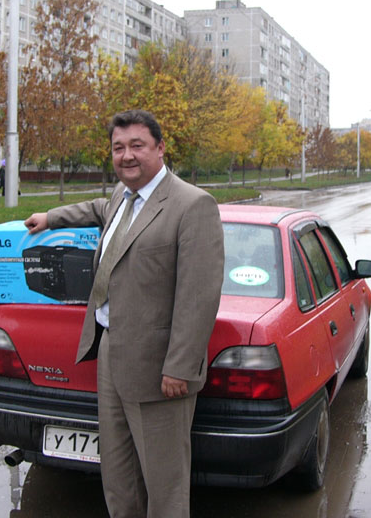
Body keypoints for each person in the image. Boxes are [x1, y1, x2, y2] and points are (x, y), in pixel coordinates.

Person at [25, 110, 224, 518]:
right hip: (112, 353)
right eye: (118, 148)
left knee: (164, 485)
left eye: (137, 145)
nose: (127, 155)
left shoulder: (192, 205)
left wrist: (180, 367)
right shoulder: (122, 195)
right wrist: (51, 218)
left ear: (160, 148)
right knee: (118, 476)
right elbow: (98, 208)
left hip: (159, 369)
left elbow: (198, 297)